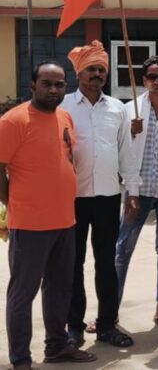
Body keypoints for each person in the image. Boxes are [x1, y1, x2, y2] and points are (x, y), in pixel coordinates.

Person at [0, 61, 96, 369]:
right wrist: (13, 203)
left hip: (65, 221)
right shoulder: (13, 121)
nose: (53, 89)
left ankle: (56, 346)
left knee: (59, 289)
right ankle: (21, 359)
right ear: (32, 86)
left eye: (59, 84)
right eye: (47, 83)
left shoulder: (64, 117)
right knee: (22, 293)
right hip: (30, 225)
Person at [61, 41, 140, 348]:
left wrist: (132, 191)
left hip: (107, 197)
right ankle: (74, 327)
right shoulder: (63, 106)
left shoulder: (117, 108)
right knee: (72, 263)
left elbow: (126, 152)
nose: (96, 74)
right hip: (72, 197)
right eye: (90, 69)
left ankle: (107, 325)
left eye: (101, 69)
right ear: (78, 73)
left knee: (106, 263)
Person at [115, 55, 158, 332]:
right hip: (137, 191)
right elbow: (117, 149)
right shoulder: (129, 110)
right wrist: (131, 133)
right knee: (122, 250)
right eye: (152, 77)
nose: (157, 81)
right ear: (143, 80)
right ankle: (110, 311)